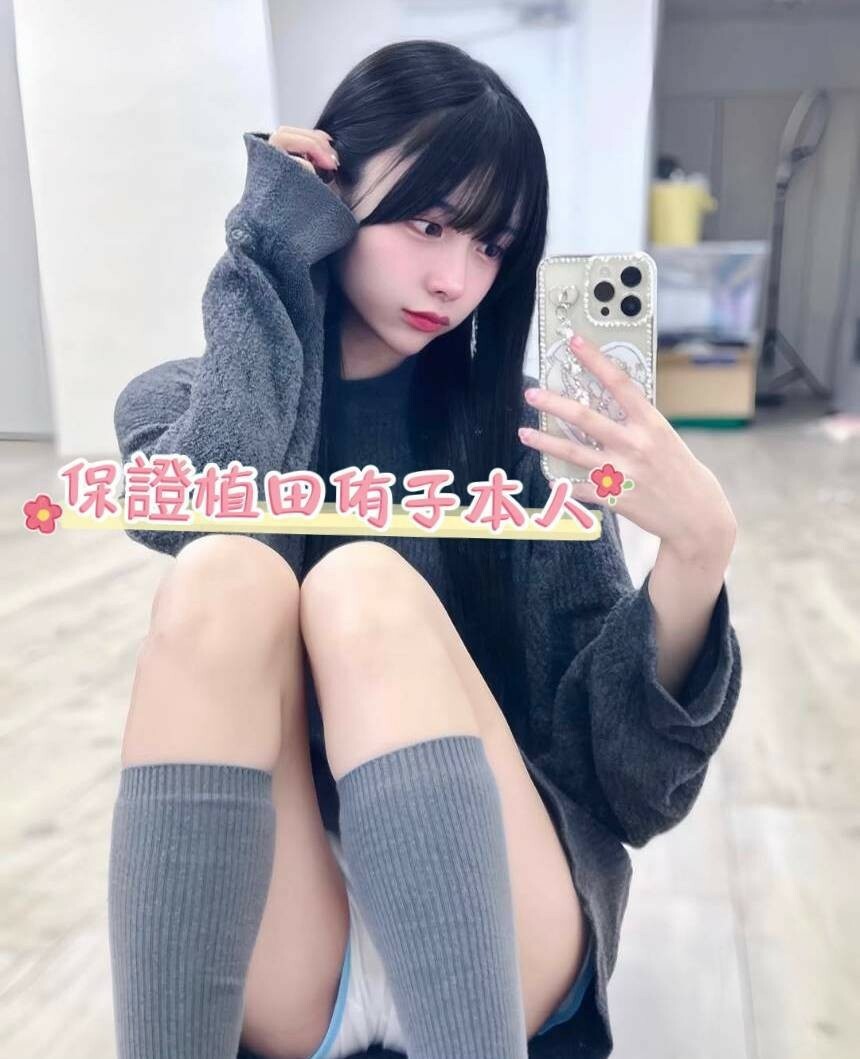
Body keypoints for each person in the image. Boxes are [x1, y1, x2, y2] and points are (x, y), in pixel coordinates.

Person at [108, 39, 742, 1059]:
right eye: (428, 223)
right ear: (331, 195)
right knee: (222, 568)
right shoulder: (174, 403)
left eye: (491, 246)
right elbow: (198, 503)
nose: (454, 278)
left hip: (500, 922)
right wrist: (269, 244)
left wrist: (695, 556)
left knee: (364, 582)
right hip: (301, 934)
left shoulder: (525, 446)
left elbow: (625, 788)